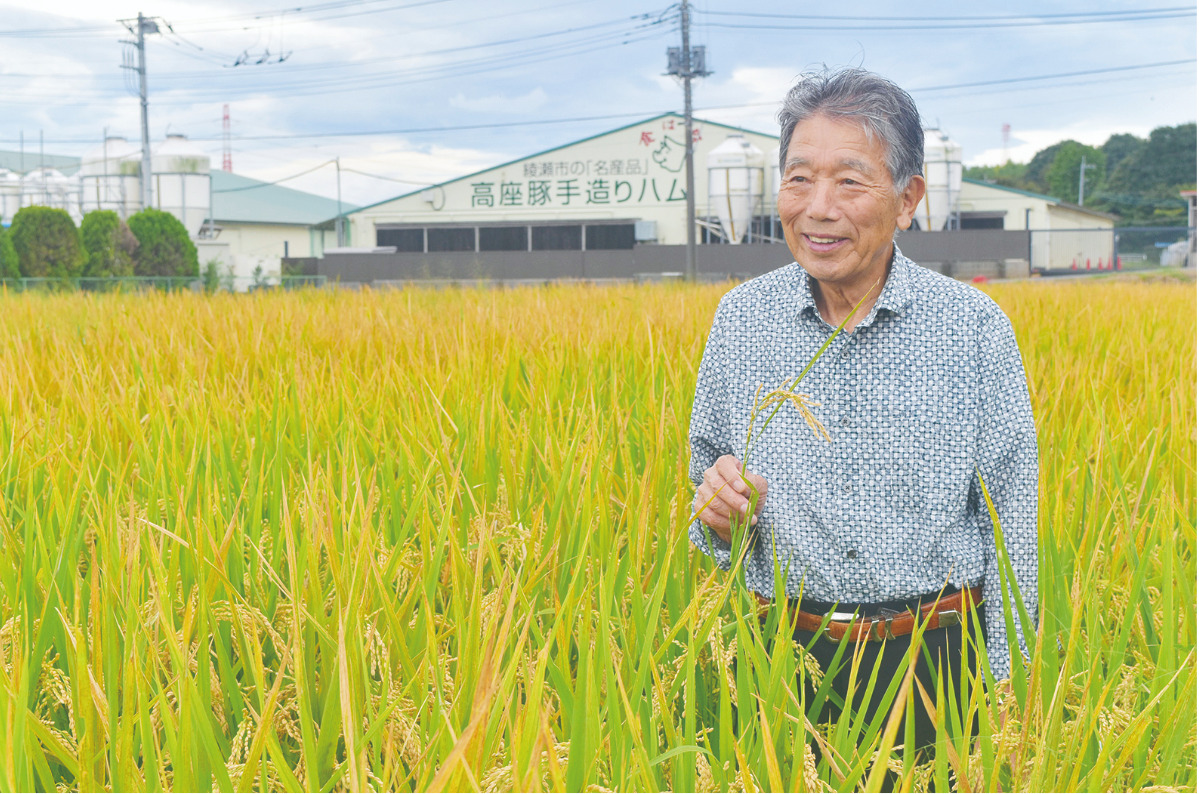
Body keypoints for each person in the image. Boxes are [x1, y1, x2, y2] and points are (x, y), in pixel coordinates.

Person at [687, 68, 1038, 751]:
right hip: (782, 660)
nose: (818, 207)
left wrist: (1008, 688)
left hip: (936, 662)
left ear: (907, 199)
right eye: (798, 178)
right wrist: (718, 510)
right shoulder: (741, 321)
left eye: (848, 181)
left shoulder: (971, 327)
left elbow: (1011, 527)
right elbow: (705, 486)